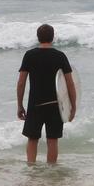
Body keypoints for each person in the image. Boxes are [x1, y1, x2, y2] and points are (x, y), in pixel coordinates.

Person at [17, 23, 76, 164]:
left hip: (35, 104)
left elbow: (21, 82)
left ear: (38, 38)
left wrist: (20, 105)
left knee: (32, 138)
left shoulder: (30, 55)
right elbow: (70, 83)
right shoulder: (60, 56)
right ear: (53, 37)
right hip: (55, 104)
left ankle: (31, 169)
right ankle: (51, 173)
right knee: (52, 139)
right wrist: (73, 106)